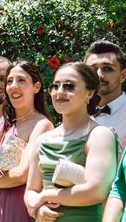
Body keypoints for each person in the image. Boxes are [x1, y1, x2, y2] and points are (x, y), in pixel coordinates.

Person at [25, 62, 119, 221]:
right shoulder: (42, 140)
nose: (59, 92)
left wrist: (47, 195)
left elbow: (96, 191)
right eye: (55, 86)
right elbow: (31, 191)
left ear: (89, 93)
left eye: (69, 86)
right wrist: (37, 207)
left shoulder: (99, 135)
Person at [0, 60, 53, 222]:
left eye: (21, 80)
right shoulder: (4, 124)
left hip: (18, 211)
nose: (13, 85)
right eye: (10, 81)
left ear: (36, 87)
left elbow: (22, 174)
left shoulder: (42, 125)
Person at [85, 40, 126, 149]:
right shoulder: (78, 112)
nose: (99, 75)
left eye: (107, 69)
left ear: (122, 76)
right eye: (93, 69)